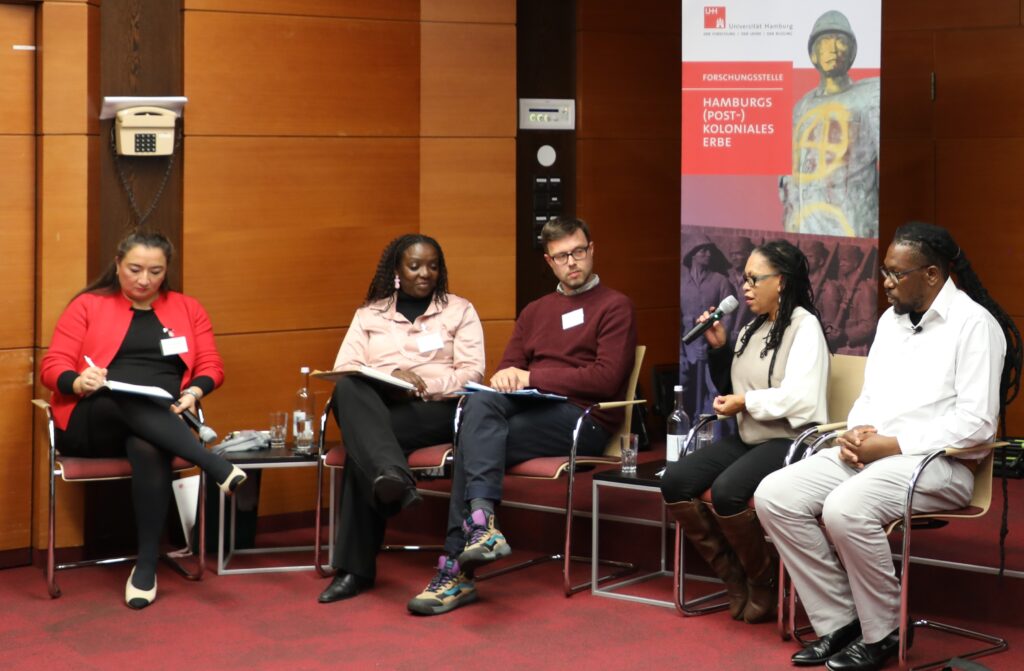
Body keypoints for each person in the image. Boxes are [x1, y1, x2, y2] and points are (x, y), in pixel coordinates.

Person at [754, 222, 1022, 670]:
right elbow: (871, 396)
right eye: (885, 271)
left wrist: (892, 445)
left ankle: (885, 629)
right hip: (874, 455)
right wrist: (857, 432)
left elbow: (977, 427)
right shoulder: (890, 322)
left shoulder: (975, 326)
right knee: (774, 495)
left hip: (940, 465)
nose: (886, 282)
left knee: (844, 507)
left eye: (897, 274)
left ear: (933, 275)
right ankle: (842, 620)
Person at [406, 216, 636, 615]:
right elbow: (509, 368)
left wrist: (533, 376)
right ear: (549, 261)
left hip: (584, 419)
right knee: (478, 403)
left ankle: (456, 569)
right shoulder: (535, 311)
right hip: (533, 412)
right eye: (562, 256)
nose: (573, 262)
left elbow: (605, 378)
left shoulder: (615, 306)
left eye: (579, 252)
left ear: (592, 249)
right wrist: (509, 376)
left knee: (473, 444)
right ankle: (481, 526)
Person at [39, 229, 246, 610]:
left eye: (155, 271)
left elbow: (212, 366)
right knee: (123, 396)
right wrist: (79, 380)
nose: (144, 280)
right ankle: (211, 462)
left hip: (161, 421)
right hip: (95, 419)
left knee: (148, 442)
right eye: (134, 269)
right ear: (117, 265)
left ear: (166, 271)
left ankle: (146, 565)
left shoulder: (188, 308)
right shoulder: (88, 306)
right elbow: (52, 367)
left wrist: (194, 392)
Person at [660, 240, 830, 624]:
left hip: (792, 441)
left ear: (782, 282)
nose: (745, 287)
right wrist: (720, 350)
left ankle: (764, 580)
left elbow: (801, 400)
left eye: (755, 278)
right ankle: (734, 576)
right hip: (750, 436)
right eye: (744, 278)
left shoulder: (806, 328)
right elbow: (731, 388)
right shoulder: (754, 326)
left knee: (727, 491)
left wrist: (745, 403)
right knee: (675, 480)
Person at [317, 234, 485, 604]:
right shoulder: (369, 315)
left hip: (438, 410)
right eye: (414, 266)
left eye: (433, 265)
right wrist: (391, 376)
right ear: (396, 271)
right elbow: (346, 368)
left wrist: (422, 386)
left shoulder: (459, 310)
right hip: (382, 408)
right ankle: (392, 476)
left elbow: (473, 373)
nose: (425, 273)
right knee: (347, 390)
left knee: (366, 446)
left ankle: (355, 570)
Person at [780, 10, 880, 238]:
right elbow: (796, 169)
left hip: (851, 220)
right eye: (824, 42)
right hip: (805, 222)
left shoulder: (870, 96)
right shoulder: (802, 106)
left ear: (852, 51)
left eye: (840, 41)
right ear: (813, 54)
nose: (833, 49)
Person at [680, 235, 734, 419]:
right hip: (687, 352)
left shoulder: (720, 281)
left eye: (709, 250)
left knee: (715, 394)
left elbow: (728, 317)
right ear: (692, 255)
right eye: (702, 250)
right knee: (684, 395)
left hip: (712, 350)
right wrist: (684, 352)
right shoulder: (683, 284)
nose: (707, 254)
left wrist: (713, 347)